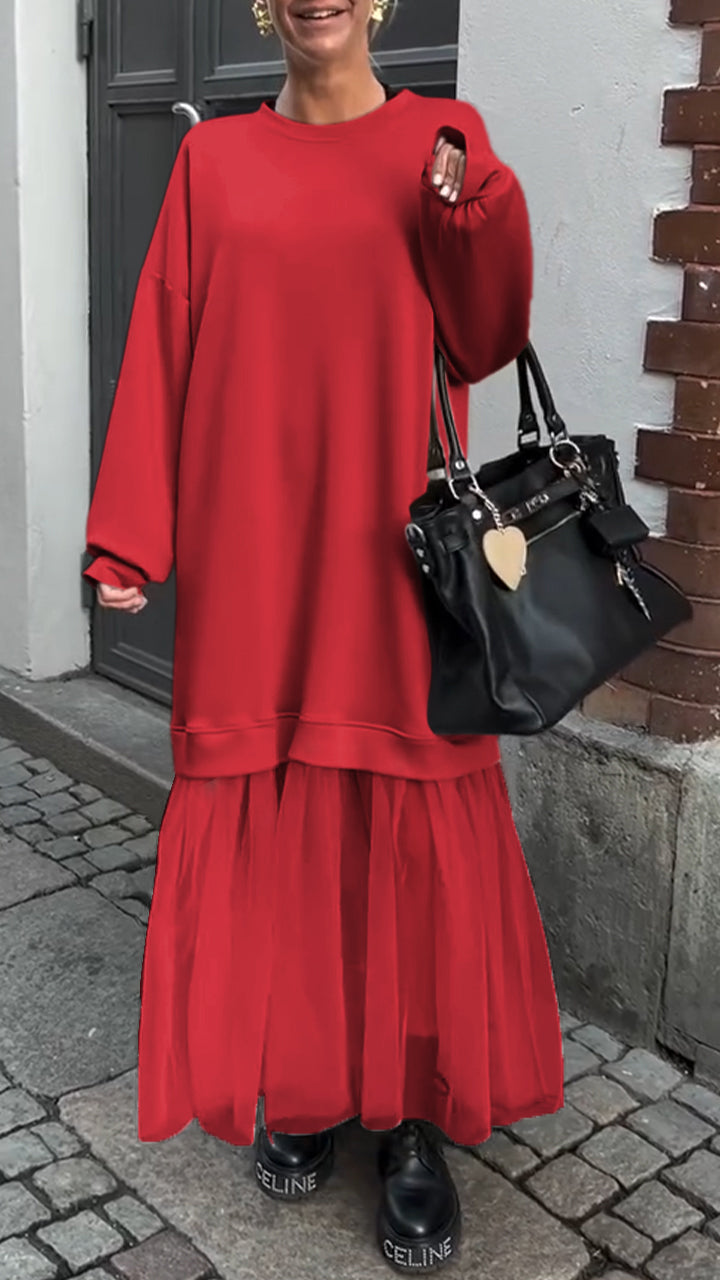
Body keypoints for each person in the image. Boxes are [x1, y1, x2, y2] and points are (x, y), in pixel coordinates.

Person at [81, 0, 564, 1271]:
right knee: (284, 807)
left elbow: (488, 337)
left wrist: (474, 211)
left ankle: (409, 1121)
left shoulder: (444, 142)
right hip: (257, 557)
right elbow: (162, 347)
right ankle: (303, 1084)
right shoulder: (212, 161)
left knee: (399, 814)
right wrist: (129, 534)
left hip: (397, 557)